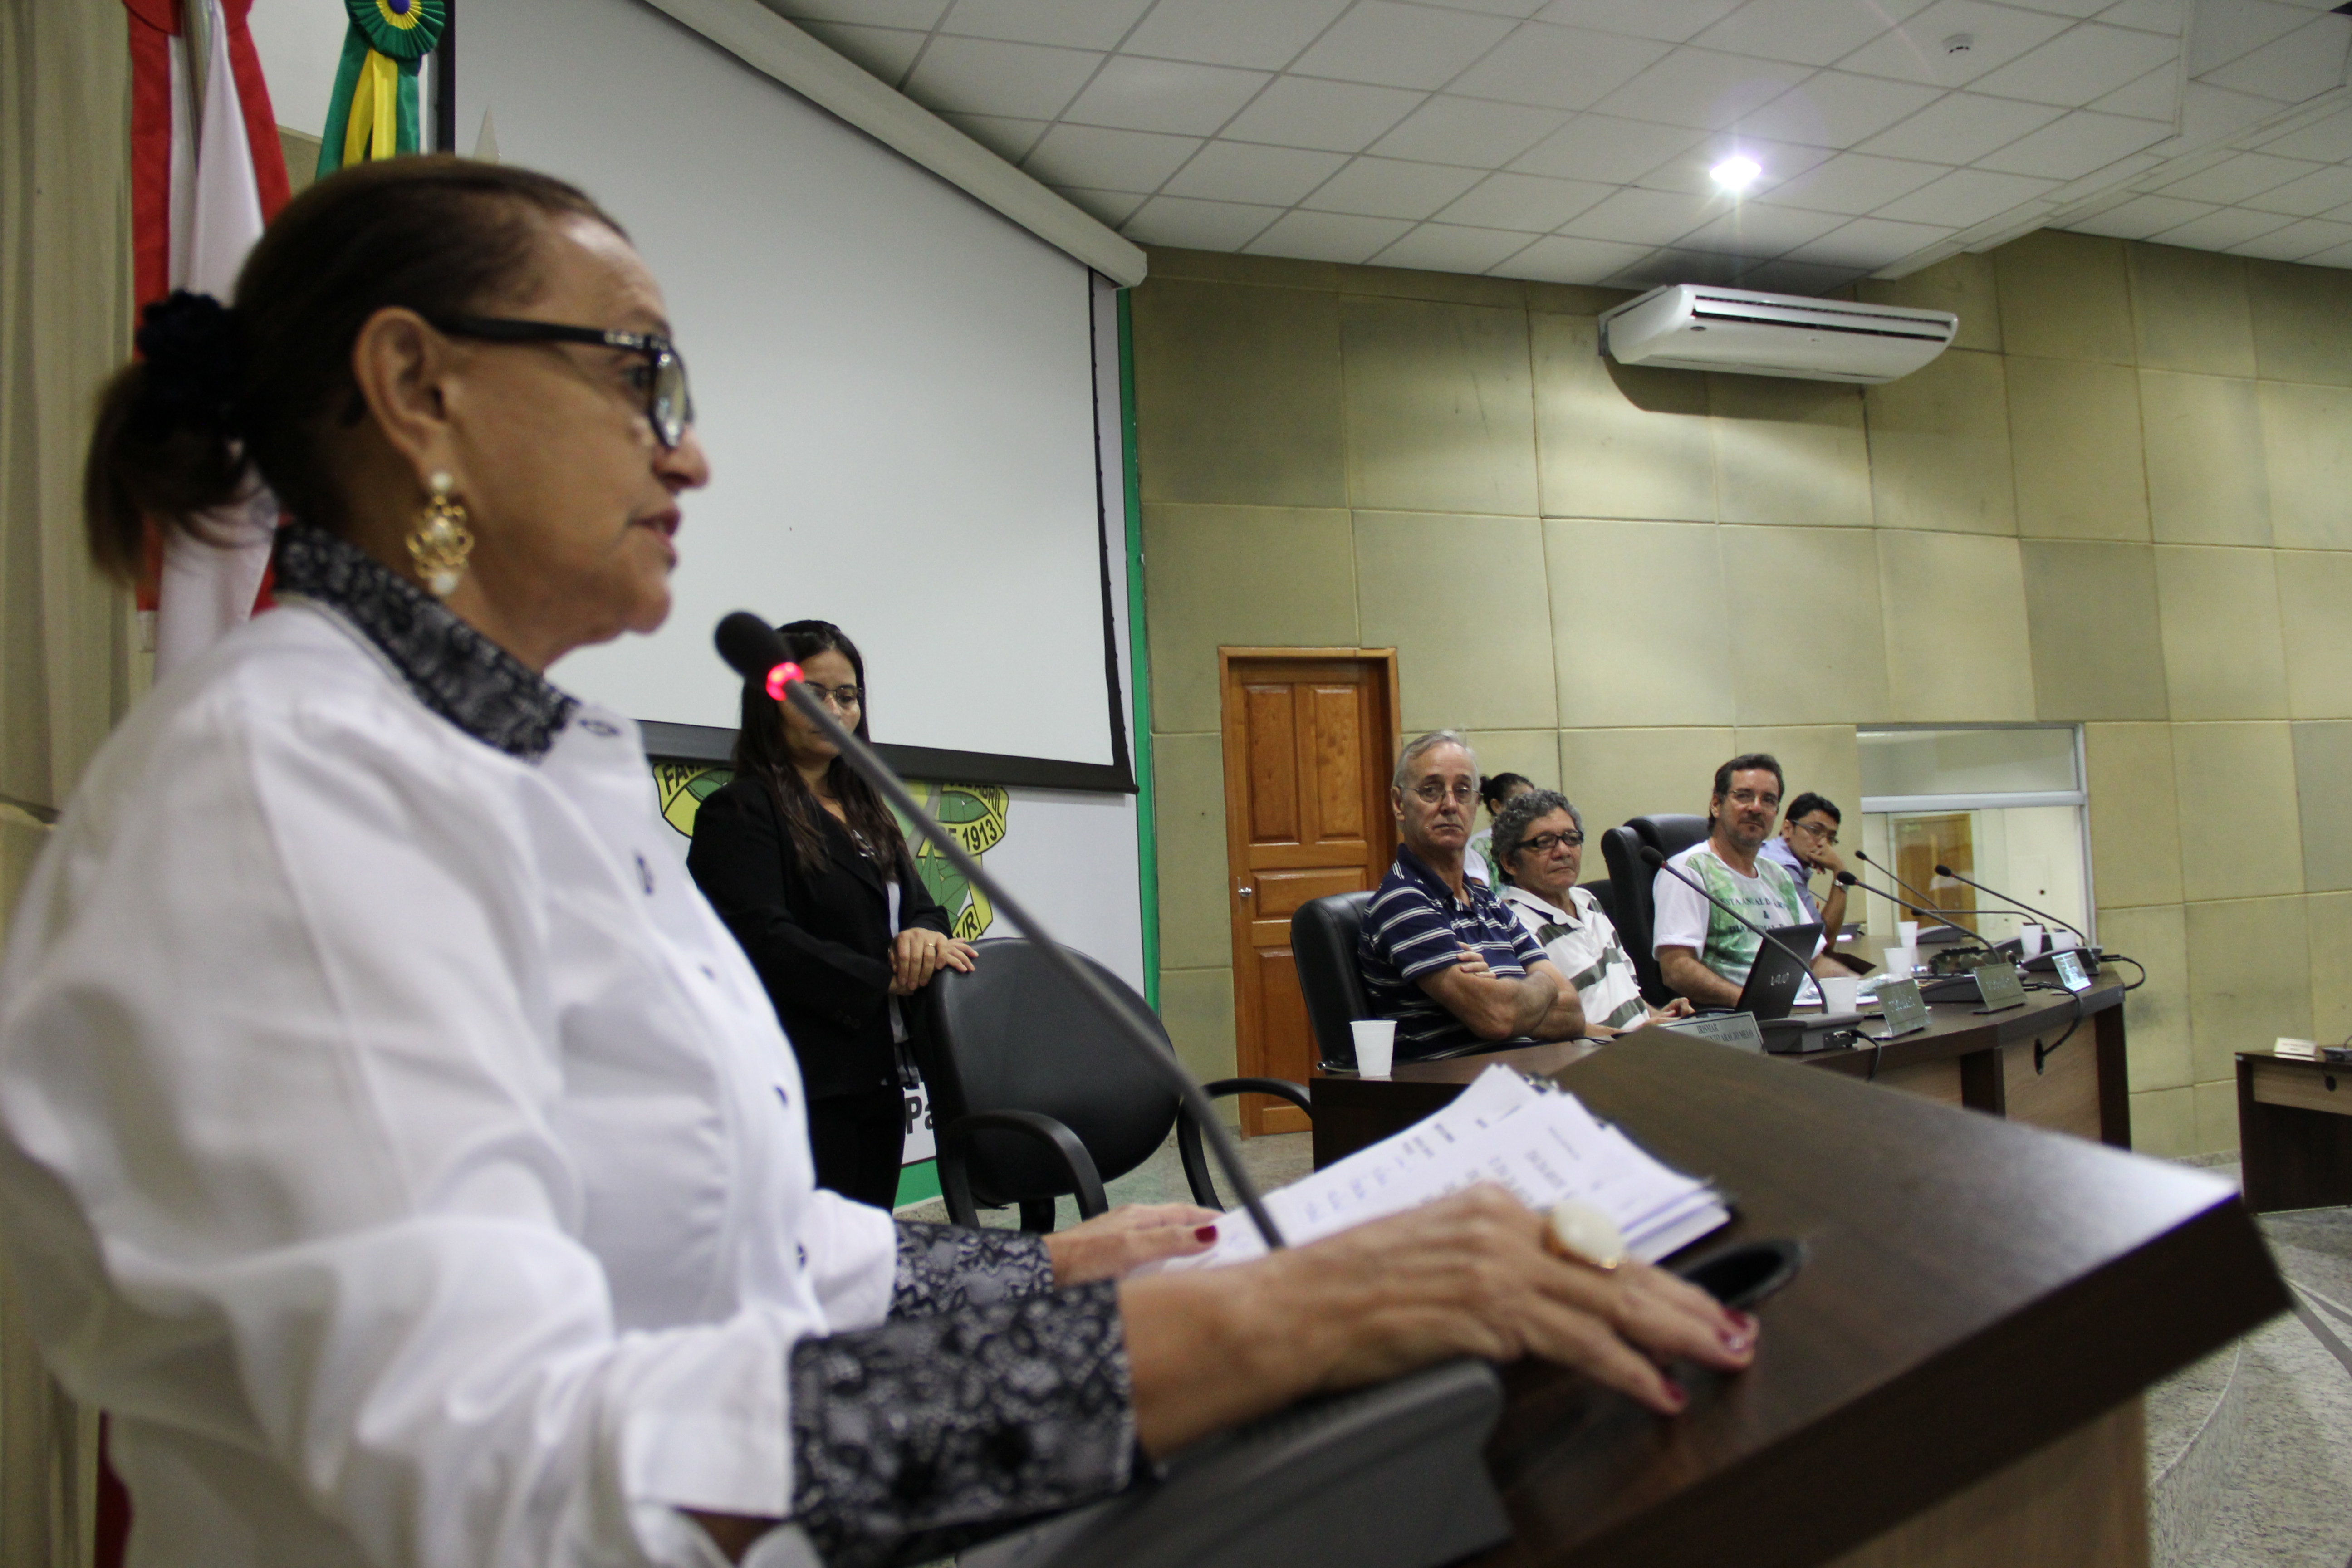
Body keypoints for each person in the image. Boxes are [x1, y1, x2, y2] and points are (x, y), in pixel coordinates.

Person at [2, 157, 1754, 1568]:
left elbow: (735, 1251)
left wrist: (1042, 1270)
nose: (687, 448)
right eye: (639, 374)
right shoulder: (295, 793)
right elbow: (481, 1476)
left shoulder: (518, 767)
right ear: (415, 385)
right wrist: (1262, 1331)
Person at [688, 620, 974, 1209]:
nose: (835, 710)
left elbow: (921, 907)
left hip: (879, 1079)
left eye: (847, 696)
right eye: (813, 693)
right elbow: (760, 940)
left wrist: (925, 931)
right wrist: (883, 976)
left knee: (865, 1256)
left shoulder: (868, 810)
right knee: (810, 1269)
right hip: (800, 1085)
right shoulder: (739, 811)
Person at [1357, 733, 1585, 1058]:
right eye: (1431, 790)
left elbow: (1574, 1014)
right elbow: (1497, 1018)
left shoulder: (1487, 900)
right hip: (1457, 1097)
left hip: (1528, 1081)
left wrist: (1502, 988)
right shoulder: (1403, 901)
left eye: (1463, 791)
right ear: (1399, 804)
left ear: (1476, 803)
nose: (1450, 804)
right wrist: (1540, 985)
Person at [1490, 790, 1693, 1038]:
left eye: (1571, 838)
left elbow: (1627, 997)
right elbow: (1548, 1027)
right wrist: (1634, 1039)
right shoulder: (1512, 925)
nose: (1563, 851)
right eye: (1544, 842)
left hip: (1639, 1050)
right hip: (1591, 1063)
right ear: (1510, 862)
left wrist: (1661, 1016)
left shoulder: (1588, 901)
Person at [1652, 754, 1839, 1009]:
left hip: (1805, 1010)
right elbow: (1676, 969)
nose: (1756, 807)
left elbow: (1815, 961)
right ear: (1716, 805)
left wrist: (1862, 987)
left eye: (1769, 800)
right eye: (1744, 796)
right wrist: (1755, 1003)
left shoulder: (1778, 876)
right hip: (1743, 1021)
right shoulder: (1689, 870)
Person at [1759, 790, 1849, 943]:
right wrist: (1840, 872)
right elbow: (1822, 941)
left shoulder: (1769, 850)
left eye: (1831, 838)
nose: (1823, 844)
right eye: (1816, 831)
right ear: (1788, 829)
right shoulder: (1784, 868)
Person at [1462, 770, 1532, 888]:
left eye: (1533, 803)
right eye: (1521, 803)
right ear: (1497, 806)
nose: (1530, 809)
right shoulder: (1479, 846)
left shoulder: (1535, 840)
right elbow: (1480, 895)